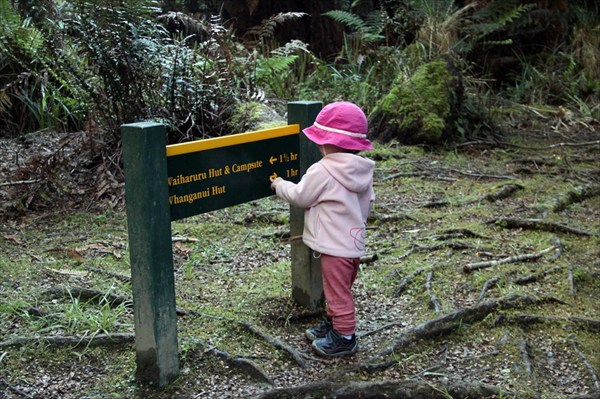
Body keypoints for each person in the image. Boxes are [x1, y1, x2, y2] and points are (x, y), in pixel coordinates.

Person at [270, 101, 375, 357]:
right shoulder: (362, 170)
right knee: (338, 288)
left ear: (326, 142)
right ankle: (334, 324)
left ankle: (345, 337)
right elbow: (368, 202)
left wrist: (279, 185)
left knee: (338, 293)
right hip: (352, 243)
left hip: (334, 247)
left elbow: (301, 196)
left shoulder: (323, 169)